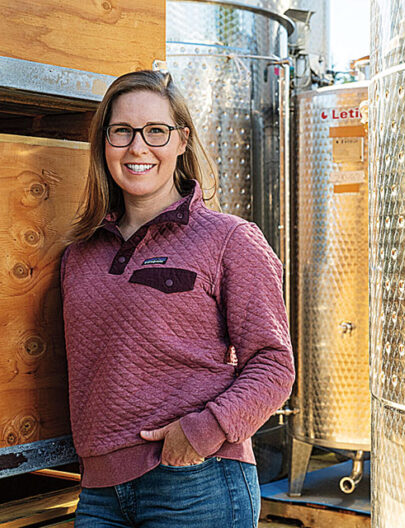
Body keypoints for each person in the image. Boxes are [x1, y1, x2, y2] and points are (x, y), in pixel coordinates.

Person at [60, 70, 295, 527]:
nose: (137, 147)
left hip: (196, 484)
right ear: (104, 142)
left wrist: (202, 432)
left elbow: (273, 365)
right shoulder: (79, 256)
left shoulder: (230, 239)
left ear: (182, 140)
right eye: (122, 131)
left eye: (156, 131)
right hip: (99, 495)